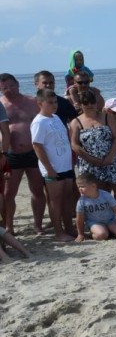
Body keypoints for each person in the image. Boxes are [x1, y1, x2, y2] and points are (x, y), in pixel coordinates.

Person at [69, 90, 116, 230]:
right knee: (97, 194)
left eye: (92, 102)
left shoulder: (107, 118)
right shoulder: (76, 122)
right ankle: (103, 223)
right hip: (89, 164)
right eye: (86, 103)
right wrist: (91, 159)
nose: (90, 105)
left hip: (112, 161)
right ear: (81, 104)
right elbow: (74, 145)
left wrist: (110, 156)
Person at [1, 73, 47, 236]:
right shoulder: (1, 105)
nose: (9, 89)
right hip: (11, 154)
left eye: (11, 85)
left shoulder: (33, 102)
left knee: (37, 190)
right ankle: (9, 226)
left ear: (18, 84)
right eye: (4, 87)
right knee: (8, 193)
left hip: (33, 152)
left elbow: (45, 121)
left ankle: (38, 225)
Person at [32, 89, 77, 242]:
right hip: (52, 168)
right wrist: (49, 169)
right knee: (55, 200)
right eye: (50, 102)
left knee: (67, 198)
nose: (54, 105)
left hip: (66, 165)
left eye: (55, 102)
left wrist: (71, 160)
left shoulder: (56, 117)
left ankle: (69, 228)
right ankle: (59, 232)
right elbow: (37, 146)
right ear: (40, 103)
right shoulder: (39, 122)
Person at [74, 172, 116, 242]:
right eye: (79, 187)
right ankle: (93, 234)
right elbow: (79, 219)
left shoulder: (105, 195)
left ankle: (108, 231)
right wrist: (80, 234)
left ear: (93, 186)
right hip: (94, 223)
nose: (80, 189)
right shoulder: (81, 201)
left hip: (110, 220)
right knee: (101, 235)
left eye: (82, 186)